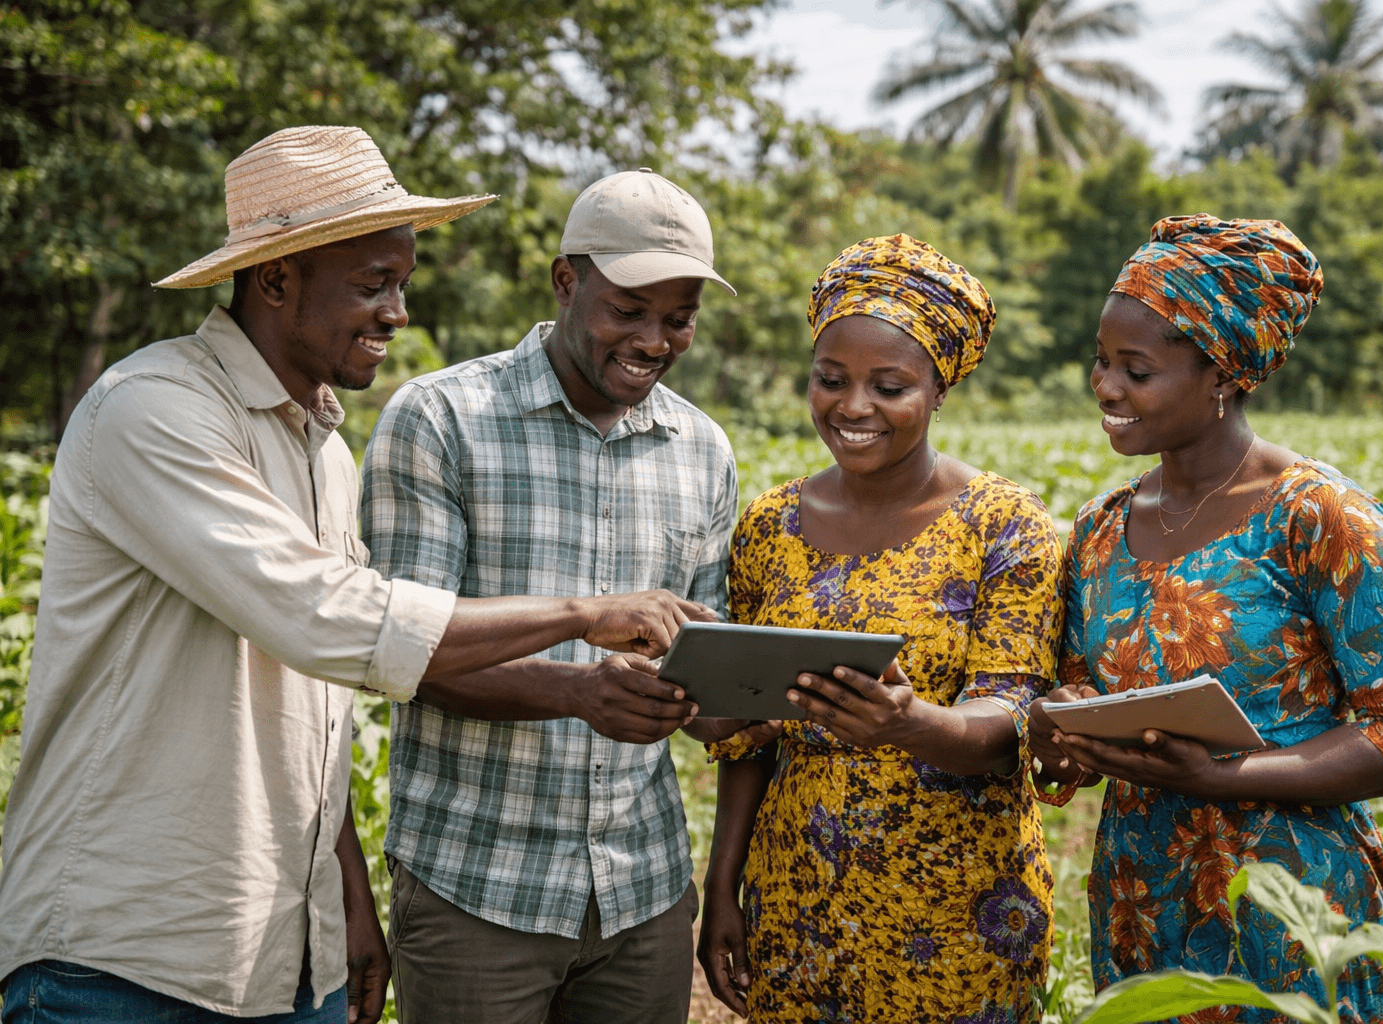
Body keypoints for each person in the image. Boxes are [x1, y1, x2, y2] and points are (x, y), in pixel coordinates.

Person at [0, 127, 713, 1024]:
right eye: (373, 285)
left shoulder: (323, 451)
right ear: (275, 279)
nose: (397, 313)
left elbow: (319, 700)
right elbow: (330, 620)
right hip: (124, 958)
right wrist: (586, 614)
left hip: (282, 949)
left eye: (401, 285)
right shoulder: (155, 411)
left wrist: (341, 897)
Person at [1029, 214, 1383, 1022]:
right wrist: (1062, 728)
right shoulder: (1100, 529)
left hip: (1292, 914)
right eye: (1102, 361)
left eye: (1136, 369)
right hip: (1142, 906)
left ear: (1222, 373)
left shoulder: (1319, 518)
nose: (1106, 387)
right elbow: (1080, 698)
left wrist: (1222, 778)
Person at [359, 167, 750, 1024]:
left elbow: (710, 676)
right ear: (566, 283)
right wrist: (580, 694)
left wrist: (771, 686)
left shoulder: (702, 448)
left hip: (641, 889)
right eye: (629, 309)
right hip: (478, 887)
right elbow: (403, 650)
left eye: (678, 318)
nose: (655, 338)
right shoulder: (440, 419)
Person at [697, 235, 1064, 1022]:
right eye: (831, 380)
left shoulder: (1006, 526)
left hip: (956, 907)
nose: (852, 407)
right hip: (795, 895)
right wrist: (721, 886)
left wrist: (909, 722)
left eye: (888, 386)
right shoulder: (769, 527)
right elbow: (748, 739)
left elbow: (1011, 715)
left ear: (939, 390)